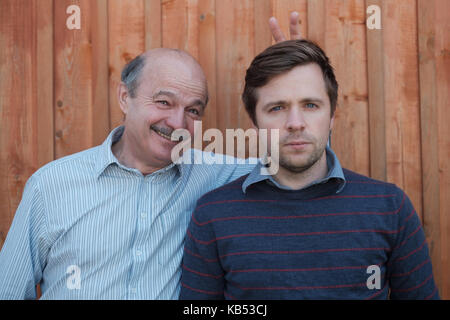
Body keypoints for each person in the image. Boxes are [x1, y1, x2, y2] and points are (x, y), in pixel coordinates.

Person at [0, 14, 301, 300]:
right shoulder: (51, 184)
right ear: (124, 97)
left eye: (193, 110)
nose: (177, 123)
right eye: (163, 102)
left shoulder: (213, 175)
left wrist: (296, 85)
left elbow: (297, 163)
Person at [179, 39, 440, 300]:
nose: (295, 123)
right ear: (255, 123)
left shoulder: (389, 207)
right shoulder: (214, 215)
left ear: (332, 116)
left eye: (311, 105)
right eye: (277, 108)